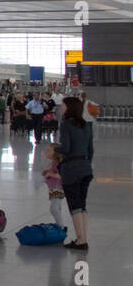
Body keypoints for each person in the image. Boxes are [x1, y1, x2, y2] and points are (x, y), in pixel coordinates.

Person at [57, 97, 94, 250]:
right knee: (82, 205)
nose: (61, 108)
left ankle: (80, 240)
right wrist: (86, 164)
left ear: (69, 108)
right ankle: (83, 238)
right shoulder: (87, 125)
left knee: (74, 206)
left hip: (71, 170)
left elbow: (66, 148)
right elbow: (90, 150)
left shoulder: (66, 125)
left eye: (63, 106)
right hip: (85, 168)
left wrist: (54, 149)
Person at [41, 143, 71, 230]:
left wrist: (51, 174)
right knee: (56, 207)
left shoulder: (59, 164)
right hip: (53, 189)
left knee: (54, 209)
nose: (46, 152)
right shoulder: (53, 163)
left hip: (58, 189)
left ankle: (61, 226)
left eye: (48, 151)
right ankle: (60, 225)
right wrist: (46, 172)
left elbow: (61, 175)